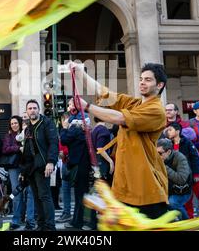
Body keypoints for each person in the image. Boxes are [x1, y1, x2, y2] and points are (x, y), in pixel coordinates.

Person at [69, 62, 169, 219]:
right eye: (141, 78)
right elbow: (105, 93)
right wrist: (81, 73)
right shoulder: (134, 103)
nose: (142, 82)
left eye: (148, 80)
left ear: (160, 85)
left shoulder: (156, 110)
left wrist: (87, 106)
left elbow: (120, 118)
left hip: (146, 188)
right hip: (125, 185)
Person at [19, 99, 58, 231]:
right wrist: (23, 171)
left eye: (34, 108)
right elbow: (26, 151)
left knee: (45, 196)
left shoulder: (47, 123)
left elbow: (54, 143)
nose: (32, 110)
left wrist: (51, 162)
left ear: (39, 110)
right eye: (29, 108)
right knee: (36, 197)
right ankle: (41, 225)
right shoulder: (27, 128)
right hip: (30, 168)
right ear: (27, 111)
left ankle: (50, 226)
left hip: (43, 165)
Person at [165, 122, 199, 218]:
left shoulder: (187, 143)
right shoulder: (169, 145)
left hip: (193, 176)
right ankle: (189, 222)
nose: (168, 132)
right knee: (186, 202)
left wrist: (196, 174)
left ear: (177, 131)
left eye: (170, 130)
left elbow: (195, 158)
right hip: (181, 179)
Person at [60, 103, 93, 230]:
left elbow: (64, 139)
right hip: (78, 162)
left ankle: (86, 222)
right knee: (80, 193)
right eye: (67, 105)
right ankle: (78, 221)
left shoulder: (80, 120)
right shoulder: (76, 121)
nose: (68, 107)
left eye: (70, 105)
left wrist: (64, 127)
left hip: (81, 162)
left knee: (82, 193)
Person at [0, 116, 35, 231]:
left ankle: (30, 220)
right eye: (12, 123)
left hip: (28, 166)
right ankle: (16, 220)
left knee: (30, 193)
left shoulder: (27, 132)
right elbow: (5, 149)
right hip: (14, 168)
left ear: (20, 123)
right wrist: (18, 148)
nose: (14, 125)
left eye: (16, 123)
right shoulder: (8, 136)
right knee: (16, 193)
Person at [157, 138, 191, 220]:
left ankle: (187, 223)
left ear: (168, 152)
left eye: (160, 153)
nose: (157, 156)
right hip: (166, 190)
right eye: (155, 153)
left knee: (172, 203)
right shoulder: (159, 159)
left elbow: (181, 179)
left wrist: (164, 168)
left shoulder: (180, 158)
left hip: (181, 191)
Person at [91, 117, 114, 184]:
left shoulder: (94, 129)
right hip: (103, 163)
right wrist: (110, 161)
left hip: (97, 162)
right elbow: (100, 148)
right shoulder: (103, 129)